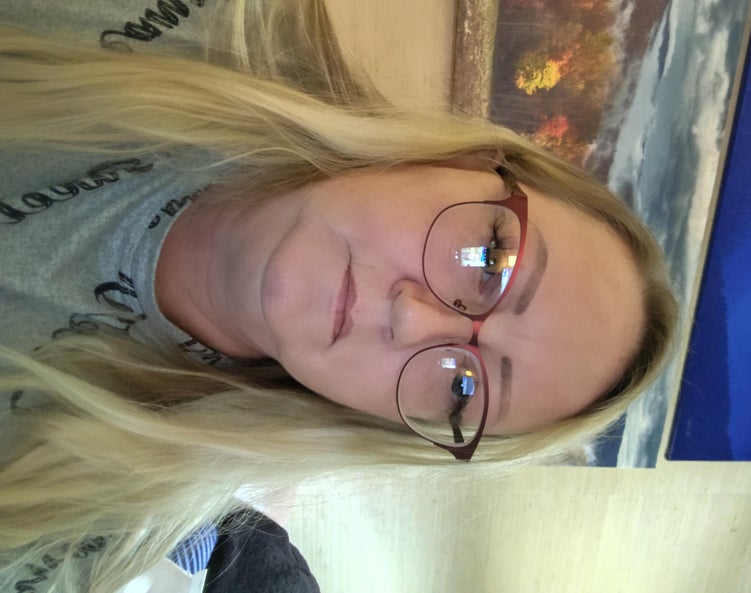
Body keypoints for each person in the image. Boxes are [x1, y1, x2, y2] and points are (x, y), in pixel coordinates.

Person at [0, 0, 678, 591]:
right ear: (466, 159)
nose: (413, 317)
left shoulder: (76, 517)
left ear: (393, 424)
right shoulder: (198, 21)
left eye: (461, 388)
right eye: (488, 260)